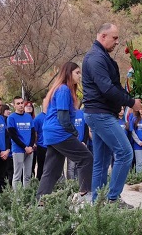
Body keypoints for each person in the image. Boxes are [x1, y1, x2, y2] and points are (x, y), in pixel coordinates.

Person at [82, 23, 142, 207]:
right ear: (102, 36)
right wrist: (131, 103)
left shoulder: (102, 57)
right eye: (114, 38)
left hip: (100, 113)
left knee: (101, 162)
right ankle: (112, 199)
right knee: (125, 153)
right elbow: (107, 89)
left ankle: (97, 204)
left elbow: (113, 87)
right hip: (100, 115)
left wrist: (126, 100)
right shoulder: (95, 58)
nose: (117, 42)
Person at [36, 62, 93, 204]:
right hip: (59, 132)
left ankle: (41, 202)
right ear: (68, 73)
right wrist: (74, 133)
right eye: (77, 73)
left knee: (52, 171)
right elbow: (63, 117)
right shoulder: (63, 90)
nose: (79, 76)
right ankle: (84, 194)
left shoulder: (61, 89)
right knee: (86, 158)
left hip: (52, 133)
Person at [7, 97, 37, 189]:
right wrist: (24, 147)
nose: (20, 105)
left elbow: (32, 133)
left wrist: (30, 146)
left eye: (21, 103)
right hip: (18, 149)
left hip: (29, 150)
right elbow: (13, 135)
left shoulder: (28, 117)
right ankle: (17, 198)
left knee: (27, 176)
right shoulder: (11, 118)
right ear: (14, 105)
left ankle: (27, 195)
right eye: (18, 103)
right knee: (17, 176)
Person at [67, 107, 89, 179]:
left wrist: (84, 141)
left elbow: (86, 128)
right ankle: (71, 184)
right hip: (71, 144)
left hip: (81, 144)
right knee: (71, 167)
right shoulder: (68, 113)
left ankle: (78, 183)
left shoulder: (82, 113)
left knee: (80, 165)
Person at [32, 97, 48, 181]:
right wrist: (35, 143)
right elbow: (35, 133)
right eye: (46, 102)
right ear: (43, 104)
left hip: (53, 146)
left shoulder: (54, 116)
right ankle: (39, 184)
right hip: (41, 146)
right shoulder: (38, 119)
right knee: (41, 167)